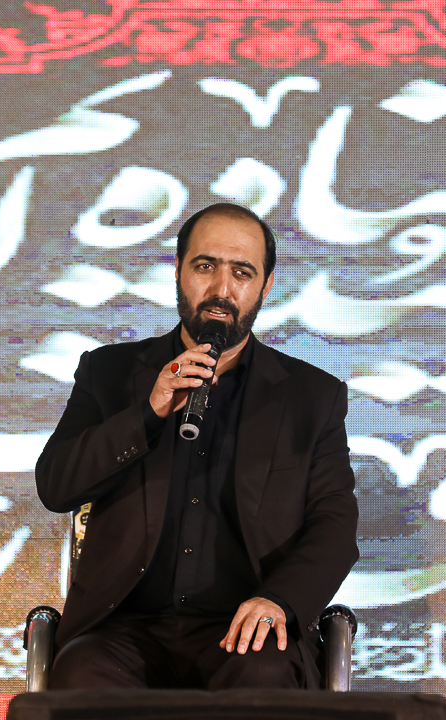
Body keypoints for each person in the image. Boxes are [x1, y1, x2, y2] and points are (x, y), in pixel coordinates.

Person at [35, 202, 360, 690]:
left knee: (265, 674)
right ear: (178, 271)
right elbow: (56, 487)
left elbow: (334, 526)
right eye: (205, 266)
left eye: (242, 272)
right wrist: (148, 412)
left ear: (266, 286)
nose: (221, 289)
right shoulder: (110, 372)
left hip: (245, 628)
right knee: (83, 676)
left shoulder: (311, 397)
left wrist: (278, 600)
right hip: (121, 629)